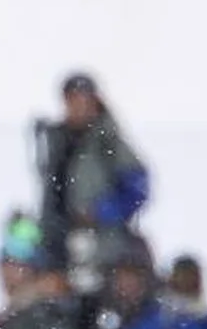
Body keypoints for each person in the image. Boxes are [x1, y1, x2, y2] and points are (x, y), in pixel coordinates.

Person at [33, 73, 149, 283]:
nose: (76, 107)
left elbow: (138, 189)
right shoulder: (57, 140)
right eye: (71, 100)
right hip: (61, 250)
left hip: (104, 252)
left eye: (81, 100)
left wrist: (101, 212)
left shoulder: (107, 141)